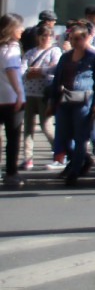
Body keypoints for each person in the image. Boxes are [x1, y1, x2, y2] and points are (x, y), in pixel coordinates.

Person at [50, 21, 95, 186]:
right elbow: (57, 79)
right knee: (64, 136)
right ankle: (82, 160)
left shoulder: (94, 57)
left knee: (81, 137)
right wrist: (52, 101)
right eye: (71, 38)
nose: (74, 42)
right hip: (65, 99)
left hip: (83, 101)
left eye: (77, 38)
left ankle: (74, 171)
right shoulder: (65, 56)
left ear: (86, 38)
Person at [20, 22, 61, 171]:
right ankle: (27, 158)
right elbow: (22, 69)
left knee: (47, 126)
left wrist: (39, 71)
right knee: (28, 128)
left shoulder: (55, 51)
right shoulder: (31, 52)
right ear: (38, 37)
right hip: (29, 93)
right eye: (43, 35)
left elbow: (55, 68)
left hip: (45, 94)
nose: (46, 38)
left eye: (49, 35)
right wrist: (32, 72)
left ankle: (60, 153)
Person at [0, 14, 26, 188]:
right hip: (11, 97)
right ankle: (11, 171)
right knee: (13, 136)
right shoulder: (12, 48)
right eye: (19, 27)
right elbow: (11, 70)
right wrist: (18, 92)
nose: (22, 30)